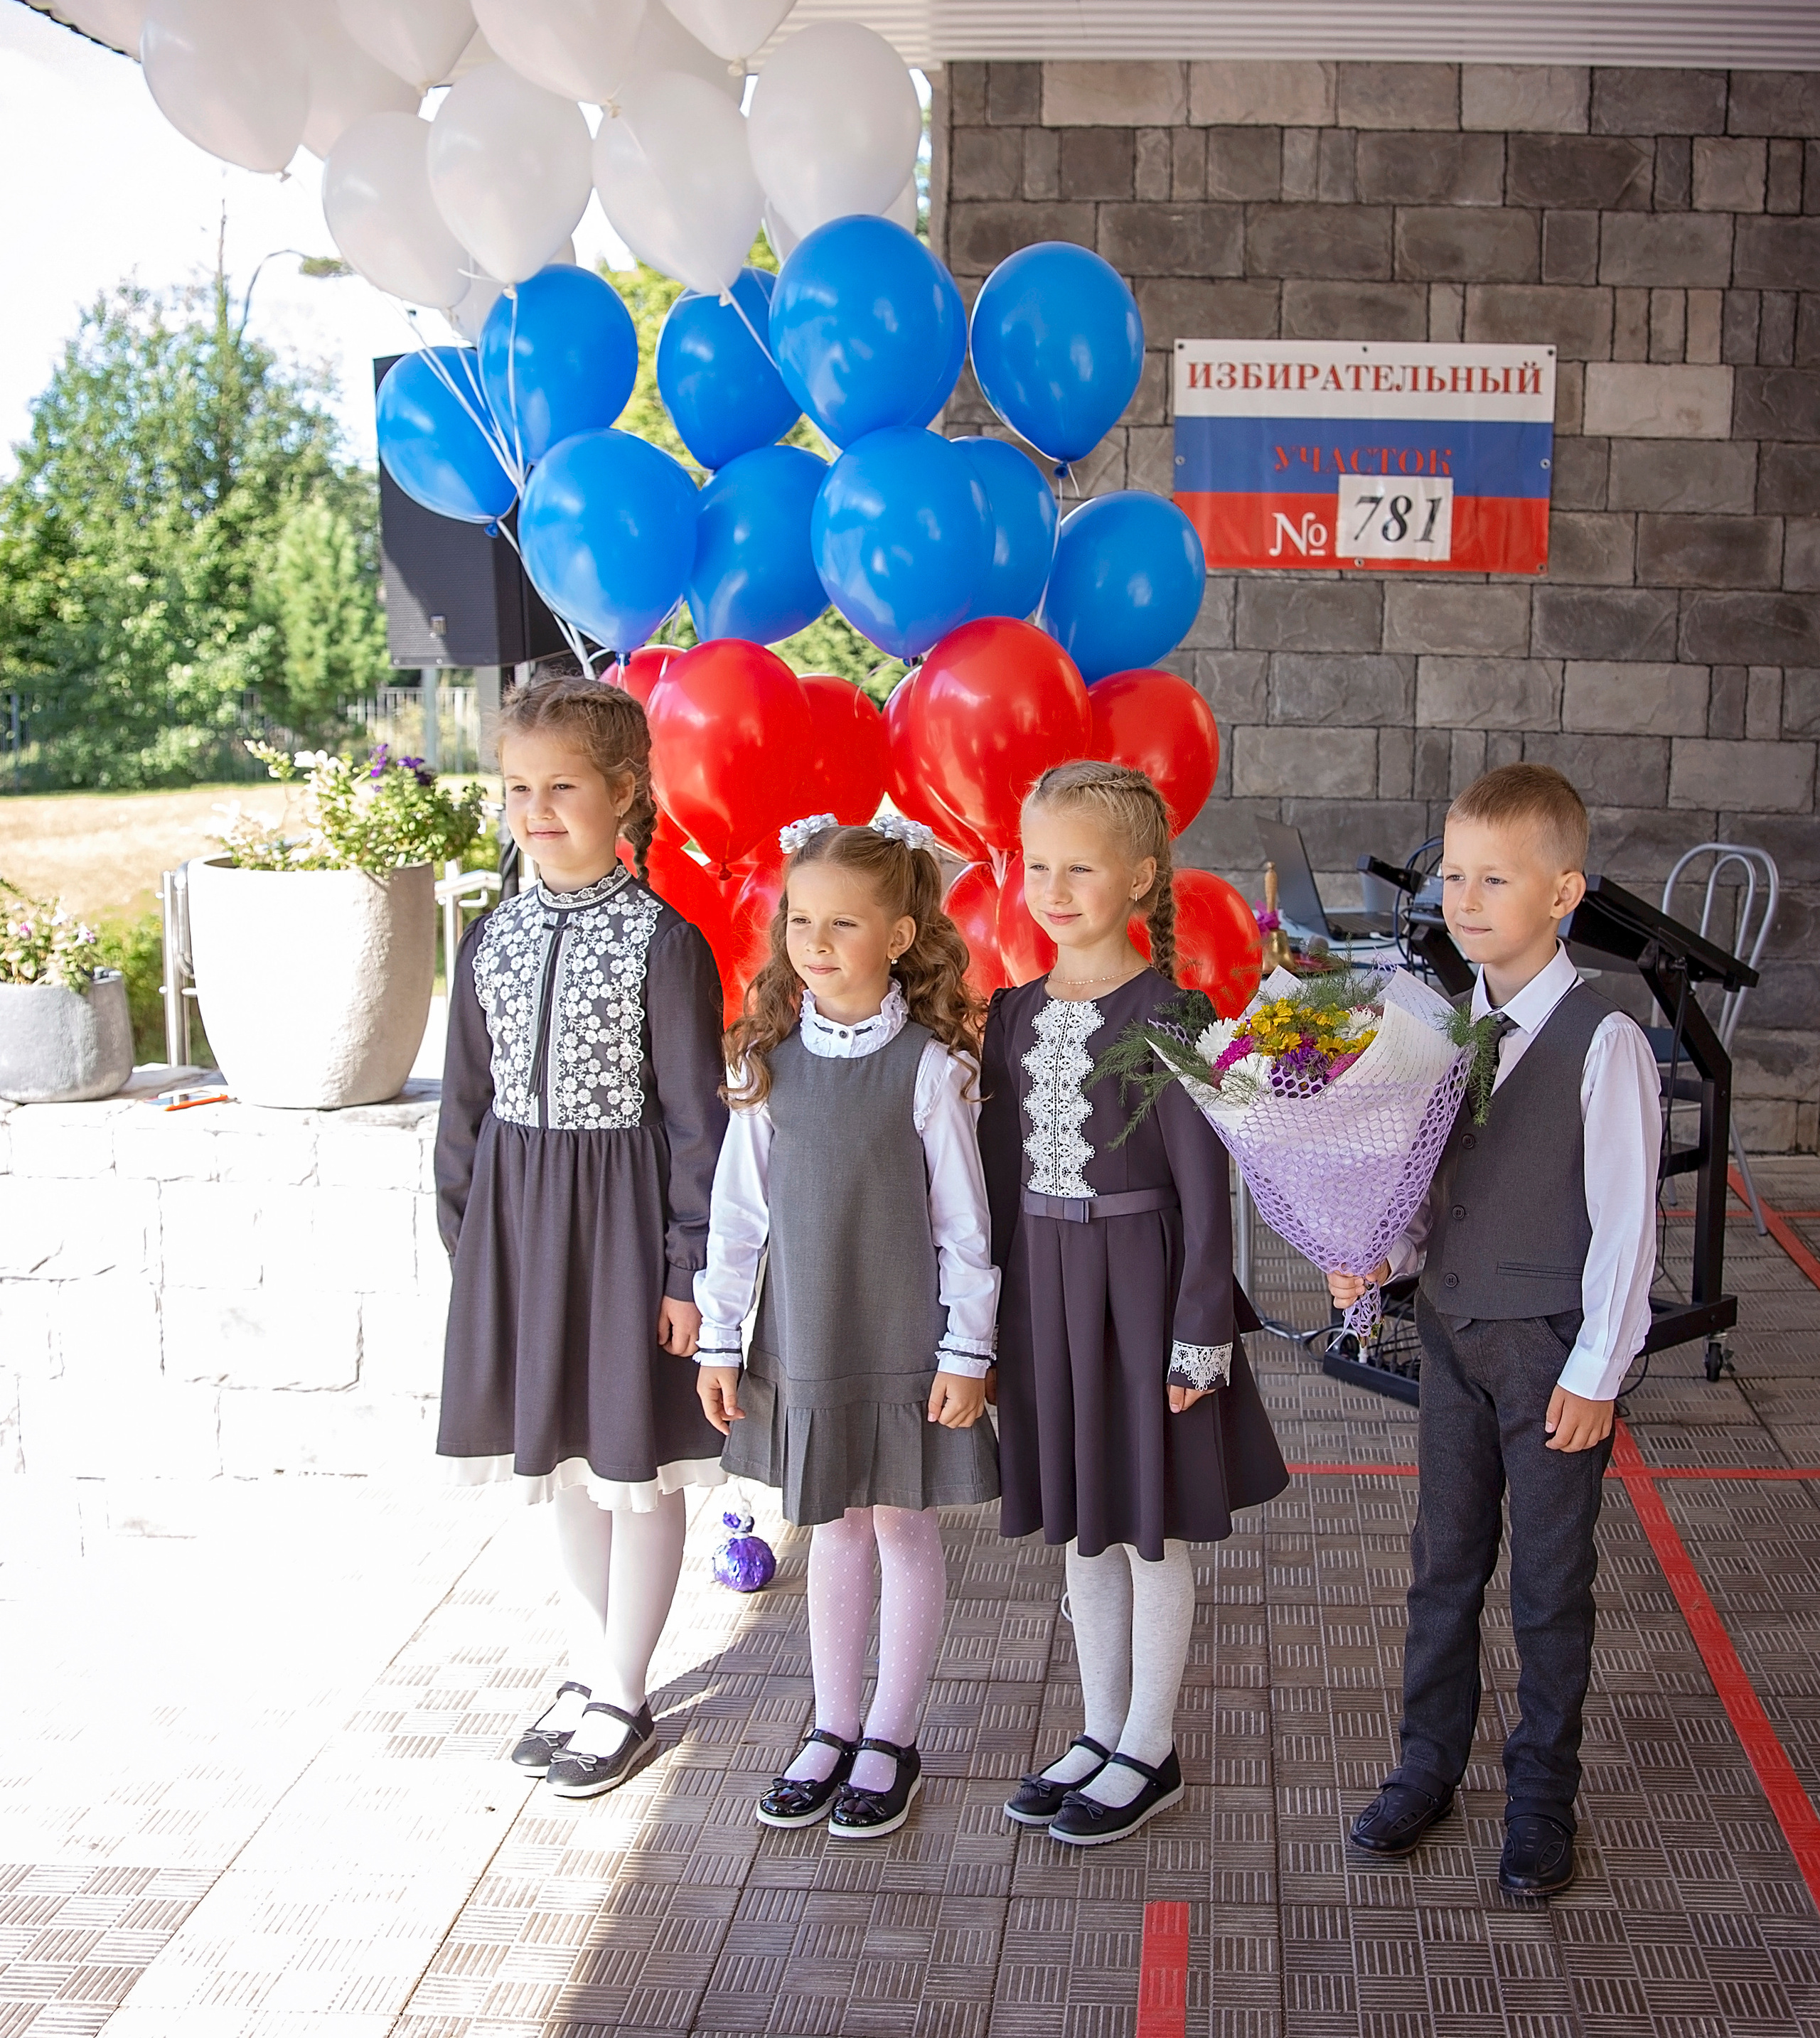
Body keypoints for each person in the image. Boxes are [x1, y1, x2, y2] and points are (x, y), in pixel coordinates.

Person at [1330, 763, 1659, 1897]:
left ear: (1564, 891)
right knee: (1443, 1570)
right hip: (1457, 1341)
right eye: (1454, 877)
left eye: (1496, 880)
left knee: (1549, 1587)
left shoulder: (1601, 1039)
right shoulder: (1449, 1030)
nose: (1465, 902)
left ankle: (1540, 1800)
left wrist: (1600, 1369)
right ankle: (1427, 1768)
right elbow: (1436, 1189)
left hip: (1552, 1352)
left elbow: (1627, 1222)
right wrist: (1383, 1256)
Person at [980, 761, 1289, 1847]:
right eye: (1037, 863)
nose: (1053, 886)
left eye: (1082, 865)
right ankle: (1098, 1725)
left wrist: (1202, 1328)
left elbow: (1211, 1187)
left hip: (1146, 1288)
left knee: (1149, 1527)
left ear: (1144, 879)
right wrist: (987, 1326)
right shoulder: (1010, 1013)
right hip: (1045, 1297)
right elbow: (992, 1181)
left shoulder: (1176, 1011)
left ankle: (1148, 1745)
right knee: (1082, 1519)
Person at [434, 675, 729, 1801]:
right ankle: (585, 1664)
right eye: (518, 787)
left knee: (634, 1466)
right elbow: (463, 1104)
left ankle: (626, 1688)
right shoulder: (493, 937)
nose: (536, 809)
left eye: (562, 787)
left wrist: (684, 1268)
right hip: (520, 1232)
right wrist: (471, 1244)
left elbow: (698, 1123)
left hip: (620, 1233)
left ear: (624, 795)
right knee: (561, 1461)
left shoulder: (665, 942)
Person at [694, 815, 1000, 1840]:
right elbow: (739, 1213)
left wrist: (968, 1349)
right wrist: (721, 1335)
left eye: (844, 925)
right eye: (802, 922)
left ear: (902, 937)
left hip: (905, 1338)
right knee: (833, 1526)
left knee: (904, 1526)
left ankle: (892, 1736)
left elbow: (964, 1221)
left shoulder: (929, 1066)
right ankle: (831, 1725)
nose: (815, 944)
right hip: (809, 1335)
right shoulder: (769, 1058)